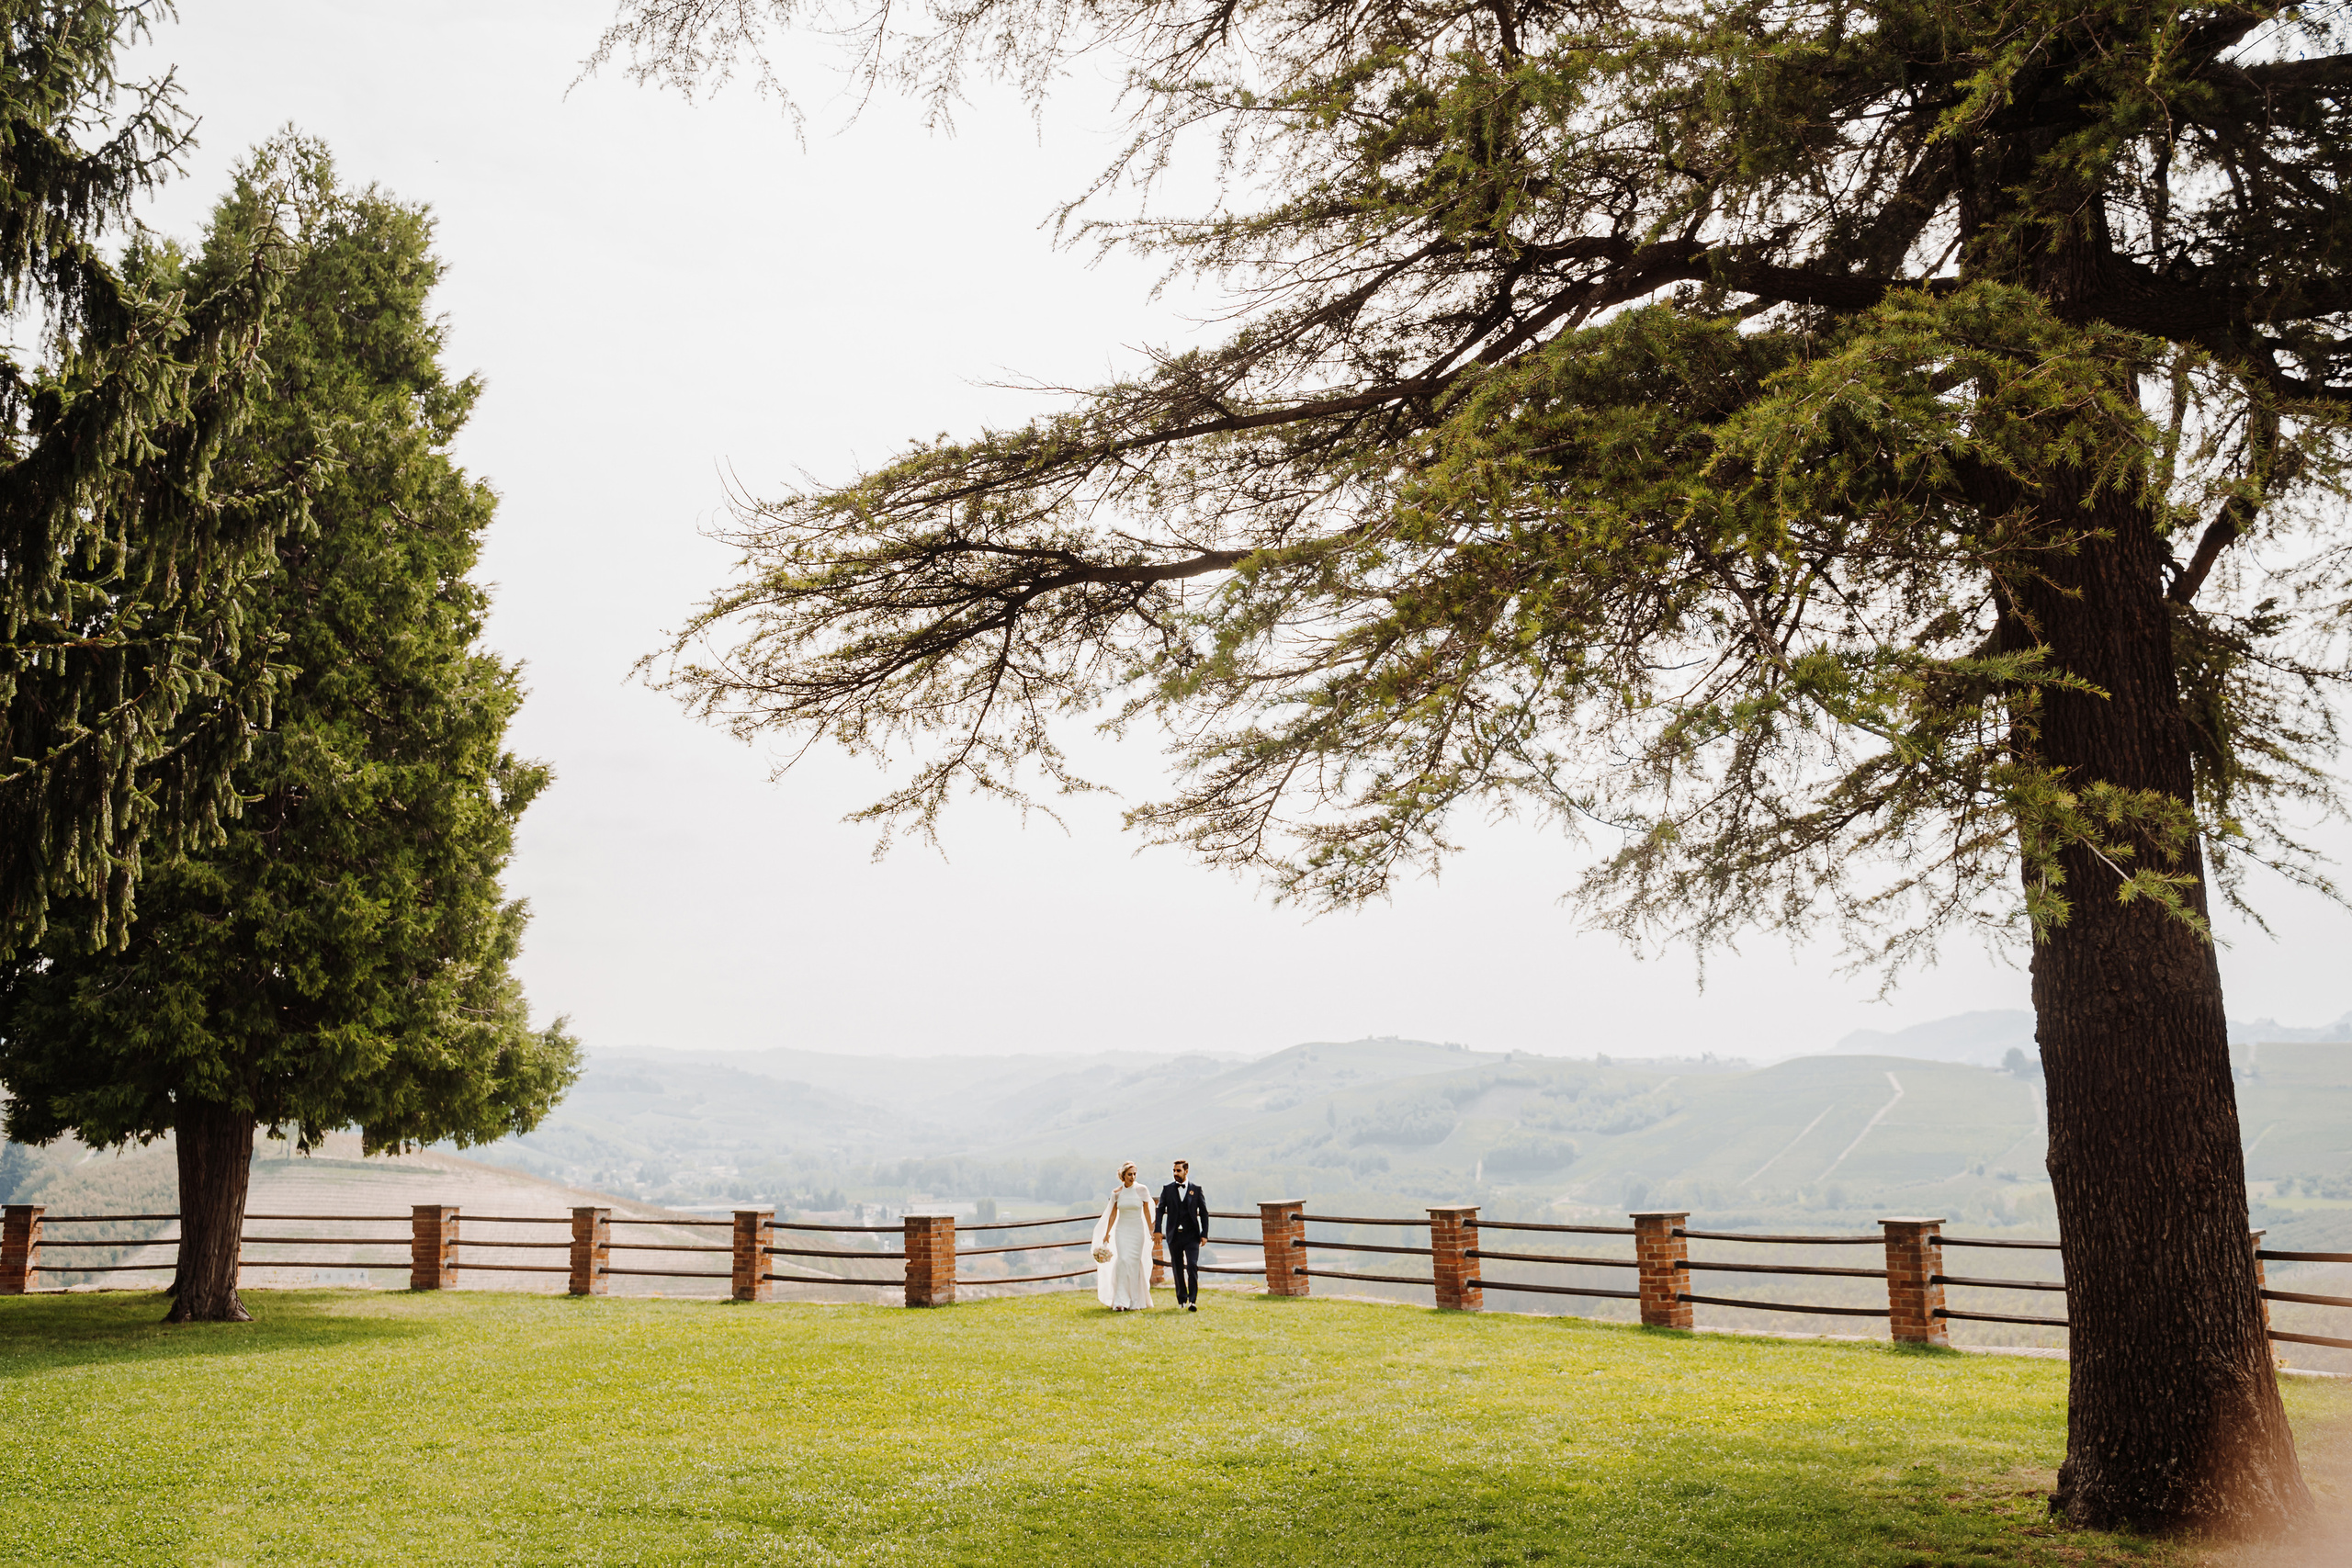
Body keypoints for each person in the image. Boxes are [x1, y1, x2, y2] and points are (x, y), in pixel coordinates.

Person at [1091, 1160, 1157, 1311]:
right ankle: (1121, 1300)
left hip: (1137, 1230)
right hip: (1122, 1230)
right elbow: (1113, 1214)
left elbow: (1147, 1211)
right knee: (1122, 1260)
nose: (1132, 1177)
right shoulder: (1116, 1193)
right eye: (1129, 1174)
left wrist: (1151, 1229)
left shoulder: (1142, 1190)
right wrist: (1107, 1233)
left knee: (1133, 1263)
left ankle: (1135, 1300)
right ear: (1123, 1175)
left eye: (1134, 1174)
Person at [1158, 1158, 1208, 1311]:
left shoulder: (1196, 1189)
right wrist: (1157, 1230)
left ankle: (1193, 1300)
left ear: (1186, 1171)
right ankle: (1182, 1300)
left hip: (1192, 1235)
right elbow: (1160, 1210)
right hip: (1174, 1235)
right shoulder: (1167, 1189)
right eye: (1174, 1171)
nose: (1175, 1173)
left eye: (1178, 1170)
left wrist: (1204, 1233)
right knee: (1177, 1267)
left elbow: (1204, 1212)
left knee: (1192, 1265)